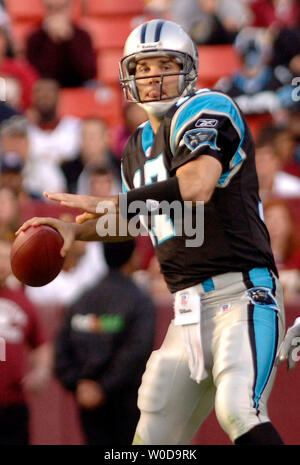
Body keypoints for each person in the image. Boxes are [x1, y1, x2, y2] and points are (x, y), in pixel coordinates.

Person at [18, 19, 288, 445]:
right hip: (185, 312)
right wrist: (75, 233)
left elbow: (196, 187)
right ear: (128, 75)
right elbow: (135, 219)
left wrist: (120, 205)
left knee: (239, 411)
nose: (154, 76)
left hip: (240, 297)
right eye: (143, 68)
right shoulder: (135, 145)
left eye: (166, 64)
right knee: (151, 439)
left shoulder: (209, 108)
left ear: (190, 69)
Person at [54, 240, 156, 445]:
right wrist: (103, 387)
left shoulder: (83, 297)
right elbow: (137, 351)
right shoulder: (140, 300)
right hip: (126, 402)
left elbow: (61, 348)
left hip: (88, 402)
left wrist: (80, 385)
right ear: (132, 258)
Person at [0, 237, 52, 445]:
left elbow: (41, 345)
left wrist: (41, 372)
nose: (2, 264)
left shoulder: (22, 300)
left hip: (13, 405)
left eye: (6, 258)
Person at [26, 0, 97, 88]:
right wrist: (53, 41)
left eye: (61, 7)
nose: (57, 13)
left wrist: (69, 38)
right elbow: (38, 75)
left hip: (79, 85)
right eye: (51, 8)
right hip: (47, 90)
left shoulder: (82, 35)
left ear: (70, 7)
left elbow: (89, 73)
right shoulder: (35, 37)